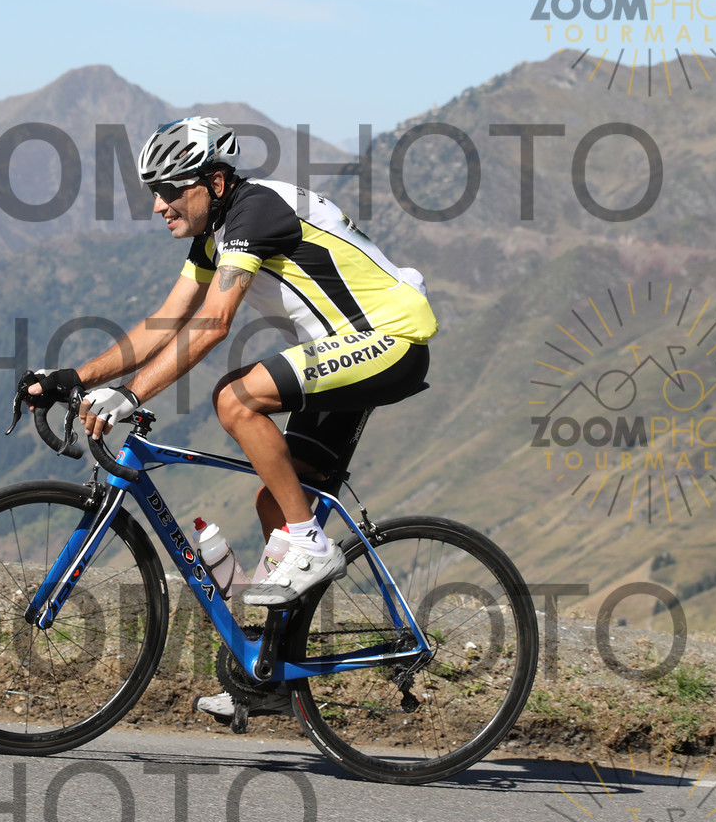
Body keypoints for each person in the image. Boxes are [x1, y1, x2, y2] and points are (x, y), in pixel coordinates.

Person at [26, 115, 436, 721]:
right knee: (277, 502)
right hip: (346, 351)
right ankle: (273, 674)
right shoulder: (214, 233)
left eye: (170, 191)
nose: (158, 206)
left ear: (214, 183)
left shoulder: (255, 212)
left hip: (390, 340)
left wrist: (131, 396)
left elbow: (213, 324)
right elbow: (164, 324)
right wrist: (76, 378)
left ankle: (310, 542)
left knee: (235, 398)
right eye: (154, 192)